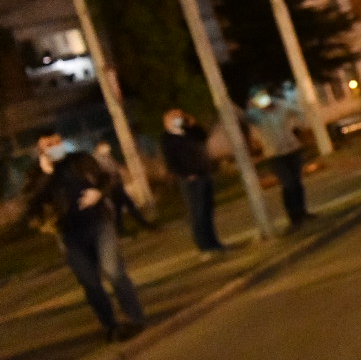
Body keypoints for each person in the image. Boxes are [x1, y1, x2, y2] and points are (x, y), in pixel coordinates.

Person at [23, 131, 146, 342]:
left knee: (114, 272)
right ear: (41, 150)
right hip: (70, 234)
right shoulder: (37, 174)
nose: (54, 146)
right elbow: (32, 203)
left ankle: (135, 318)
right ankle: (110, 326)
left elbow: (106, 179)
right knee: (90, 283)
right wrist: (46, 174)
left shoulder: (80, 159)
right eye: (48, 145)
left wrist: (99, 192)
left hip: (99, 223)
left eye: (57, 142)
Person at [161, 109, 225, 253]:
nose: (179, 119)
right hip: (190, 179)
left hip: (204, 173)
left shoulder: (189, 132)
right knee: (197, 212)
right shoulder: (168, 138)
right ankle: (204, 244)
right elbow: (171, 162)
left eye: (180, 117)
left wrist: (194, 124)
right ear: (167, 121)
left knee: (208, 210)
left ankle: (213, 241)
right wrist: (186, 174)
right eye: (175, 118)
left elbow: (203, 137)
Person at [245, 87, 310, 228]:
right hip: (274, 155)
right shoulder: (256, 114)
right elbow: (245, 118)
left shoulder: (281, 106)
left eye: (263, 96)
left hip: (292, 149)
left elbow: (298, 111)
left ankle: (302, 211)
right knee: (288, 184)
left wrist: (300, 126)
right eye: (258, 99)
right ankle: (293, 215)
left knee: (297, 182)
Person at [92, 139, 154, 234]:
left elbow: (115, 167)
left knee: (118, 209)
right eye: (106, 147)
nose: (108, 149)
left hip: (115, 185)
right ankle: (144, 224)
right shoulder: (97, 159)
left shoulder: (106, 156)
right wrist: (116, 173)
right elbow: (107, 172)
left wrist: (120, 171)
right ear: (100, 147)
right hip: (112, 187)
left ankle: (121, 230)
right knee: (128, 205)